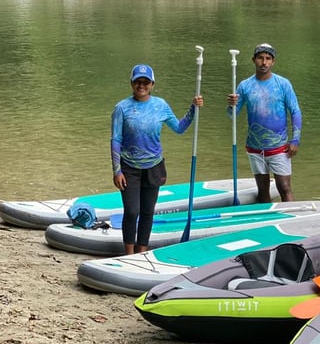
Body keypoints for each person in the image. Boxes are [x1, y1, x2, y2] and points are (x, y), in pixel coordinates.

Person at [111, 64, 204, 255]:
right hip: (129, 167)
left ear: (152, 84)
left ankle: (141, 251)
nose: (141, 85)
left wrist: (193, 109)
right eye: (138, 82)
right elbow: (116, 139)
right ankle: (129, 253)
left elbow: (179, 128)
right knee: (131, 211)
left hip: (154, 166)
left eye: (145, 82)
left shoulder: (161, 105)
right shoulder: (121, 108)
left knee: (147, 212)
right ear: (132, 83)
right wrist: (117, 170)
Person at [226, 43, 301, 202]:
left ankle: (292, 219)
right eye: (260, 58)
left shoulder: (283, 84)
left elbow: (295, 111)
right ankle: (267, 219)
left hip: (279, 147)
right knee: (262, 189)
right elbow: (231, 116)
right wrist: (231, 105)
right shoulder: (244, 86)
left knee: (284, 187)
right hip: (254, 147)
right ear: (254, 60)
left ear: (273, 62)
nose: (264, 62)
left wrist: (295, 140)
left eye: (268, 58)